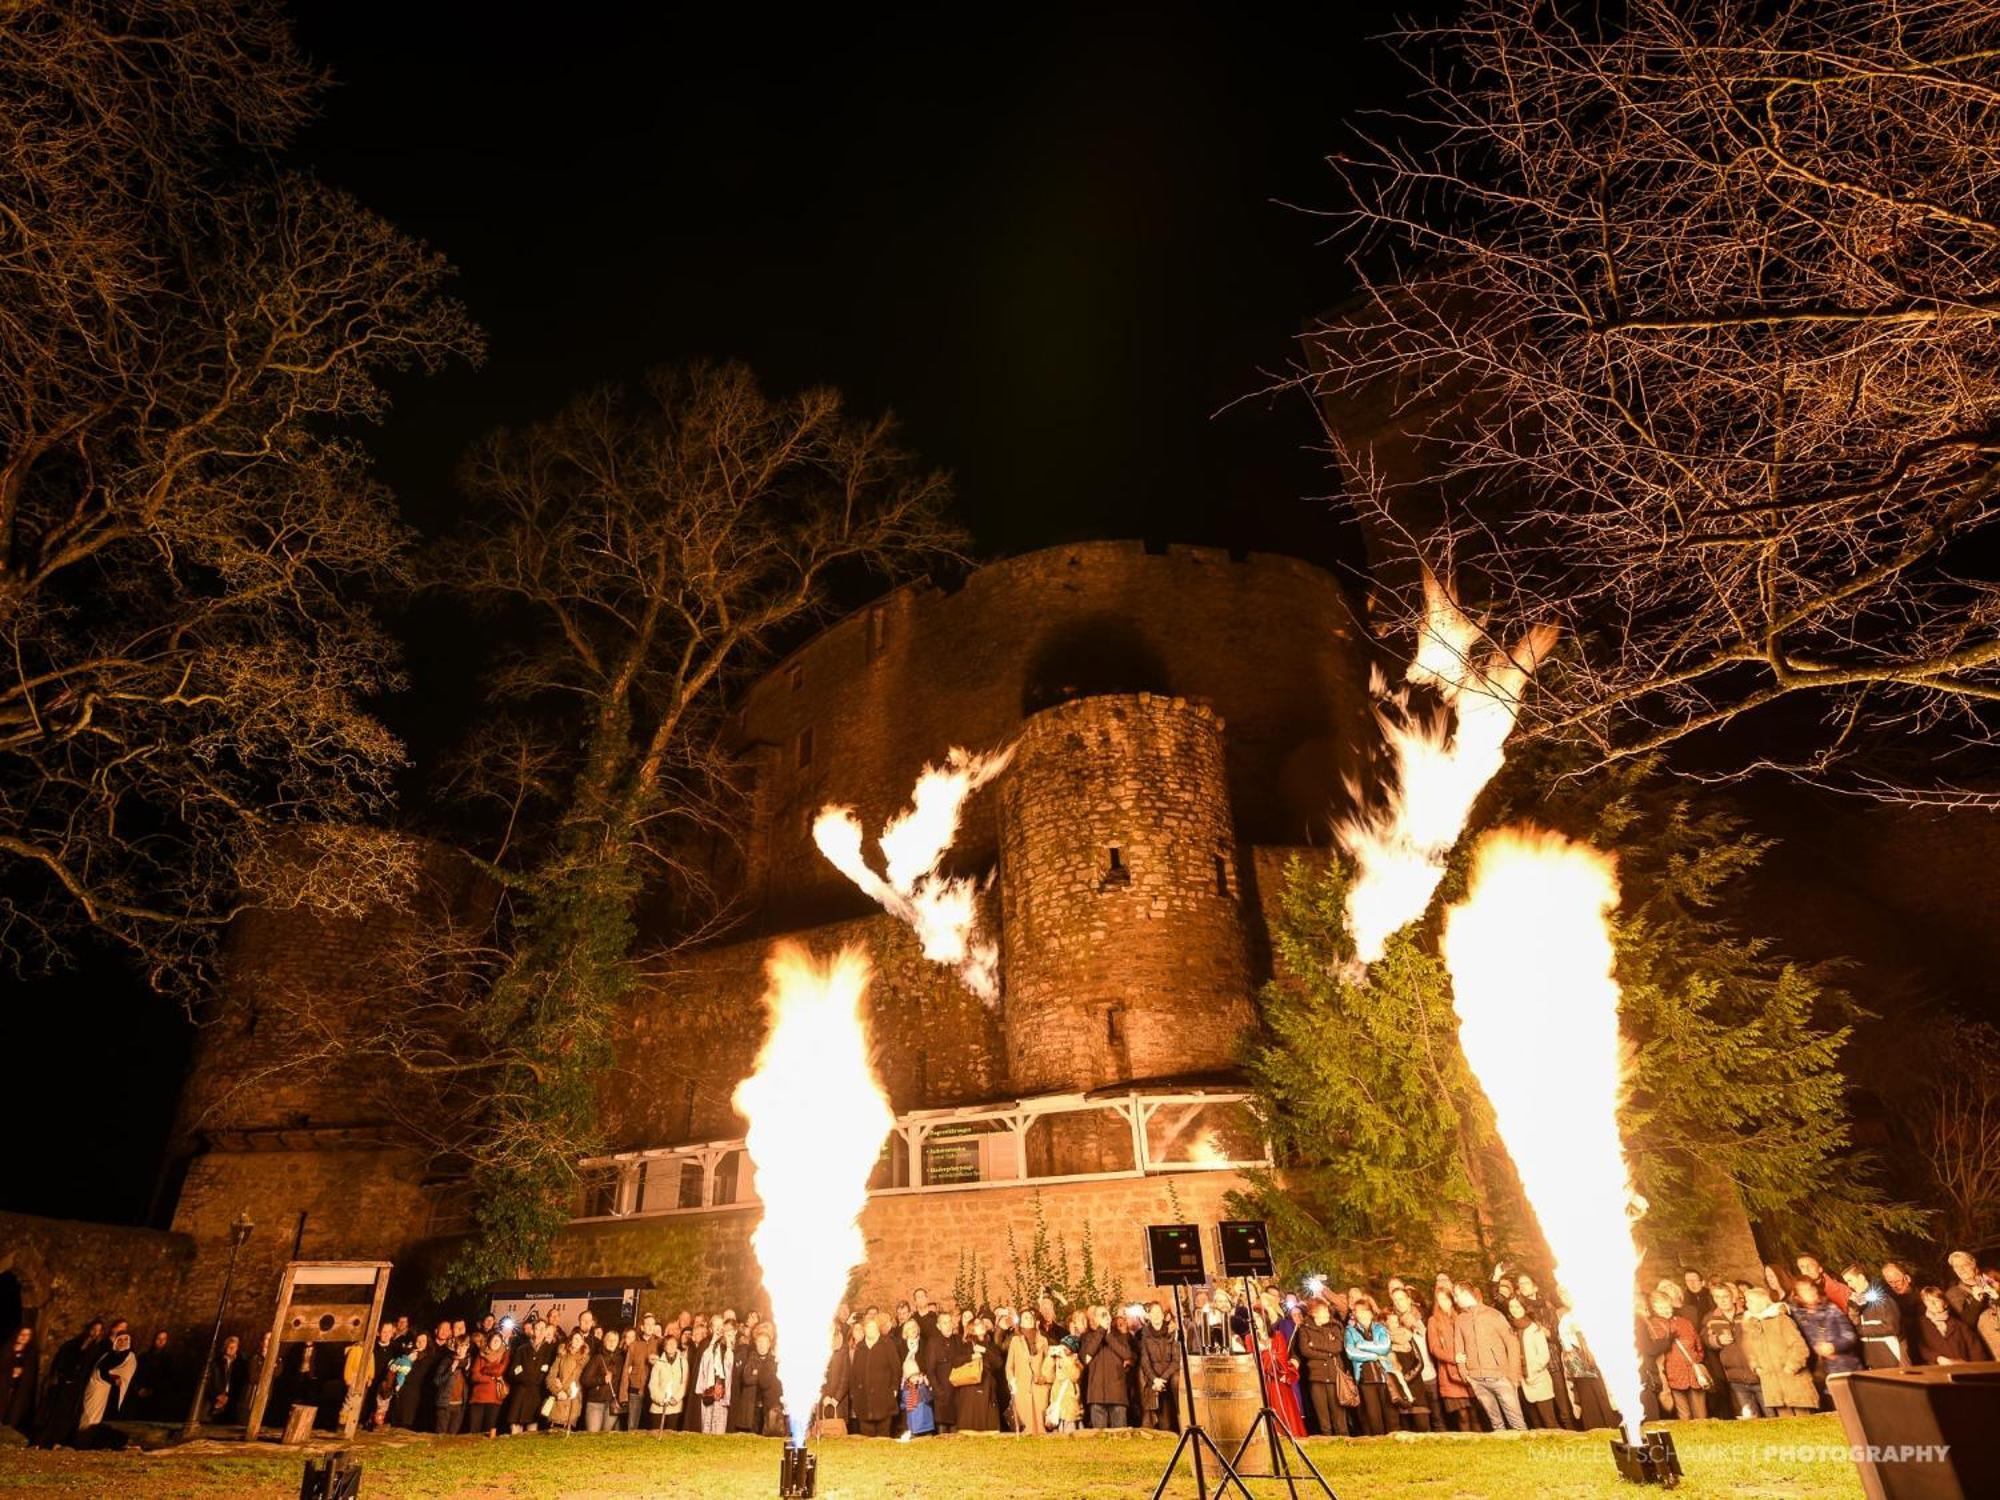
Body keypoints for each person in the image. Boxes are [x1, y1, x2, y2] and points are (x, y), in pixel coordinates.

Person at [1452, 1285, 1526, 1431]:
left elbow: (1512, 1343)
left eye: (1456, 1295)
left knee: (1517, 1423)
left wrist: (1512, 1374)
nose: (1455, 1299)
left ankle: (1525, 1450)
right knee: (1496, 1424)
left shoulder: (1494, 1315)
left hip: (1500, 1377)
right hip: (1476, 1379)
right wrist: (1464, 1373)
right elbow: (1459, 1348)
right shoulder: (1460, 1319)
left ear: (1466, 1293)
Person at [1739, 1284, 1818, 1417]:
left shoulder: (1781, 1320)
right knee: (1785, 1424)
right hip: (1772, 1384)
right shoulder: (1751, 1325)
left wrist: (1792, 1366)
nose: (1747, 1305)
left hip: (1793, 1380)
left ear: (1761, 1301)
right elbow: (1749, 1349)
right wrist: (1756, 1366)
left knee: (1805, 1419)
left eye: (1750, 1301)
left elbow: (1799, 1346)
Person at [1643, 1290, 1709, 1420]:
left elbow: (1698, 1343)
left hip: (1693, 1374)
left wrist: (1697, 1358)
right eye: (1661, 1308)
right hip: (1672, 1375)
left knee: (1701, 1414)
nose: (1666, 1310)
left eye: (1667, 1306)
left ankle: (1704, 1438)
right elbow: (1655, 1351)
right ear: (1654, 1308)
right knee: (1683, 1415)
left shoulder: (1684, 1322)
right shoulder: (1652, 1326)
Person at [38, 1318, 102, 1447]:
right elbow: (63, 1359)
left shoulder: (97, 1349)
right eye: (94, 1329)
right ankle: (44, 1439)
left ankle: (59, 1440)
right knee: (56, 1411)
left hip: (78, 1385)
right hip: (65, 1382)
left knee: (68, 1414)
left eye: (98, 1330)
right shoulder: (73, 1344)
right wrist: (62, 1374)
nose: (95, 1332)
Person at [1703, 1282, 1761, 1418]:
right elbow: (1705, 1339)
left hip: (1756, 1372)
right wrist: (1718, 1341)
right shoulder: (1711, 1319)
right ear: (1714, 1299)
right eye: (1717, 1297)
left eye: (1725, 1296)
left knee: (1771, 1413)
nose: (1722, 1300)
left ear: (1732, 1297)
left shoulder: (1747, 1313)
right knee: (1749, 1418)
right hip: (1734, 1377)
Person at [1294, 1298, 1349, 1438]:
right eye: (1323, 1311)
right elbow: (1305, 1350)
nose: (1327, 1313)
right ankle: (1327, 1438)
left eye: (1327, 1310)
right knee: (1322, 1411)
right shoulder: (1304, 1328)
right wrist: (1327, 1353)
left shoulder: (1335, 1326)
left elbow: (1337, 1347)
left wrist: (1316, 1345)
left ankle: (1343, 1437)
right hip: (1316, 1375)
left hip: (1333, 1374)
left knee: (1338, 1412)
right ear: (1314, 1313)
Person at [1790, 1278, 1859, 1388]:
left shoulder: (1831, 1309)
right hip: (1819, 1374)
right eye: (1804, 1290)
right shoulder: (1797, 1316)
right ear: (1797, 1296)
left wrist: (1834, 1346)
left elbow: (1850, 1336)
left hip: (1843, 1368)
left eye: (1811, 1288)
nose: (1810, 1292)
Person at [1426, 1277, 1474, 1431]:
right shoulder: (1433, 1321)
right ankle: (1466, 1449)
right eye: (1440, 1299)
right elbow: (1434, 1349)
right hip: (1450, 1374)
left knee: (1475, 1413)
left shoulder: (1460, 1316)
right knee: (1463, 1416)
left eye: (1446, 1298)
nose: (1443, 1302)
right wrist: (1453, 1358)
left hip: (1468, 1370)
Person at [1344, 1294, 1393, 1437]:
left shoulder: (1380, 1328)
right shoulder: (1350, 1331)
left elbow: (1385, 1347)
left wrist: (1362, 1345)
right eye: (1359, 1311)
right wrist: (1374, 1356)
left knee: (1389, 1414)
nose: (1362, 1314)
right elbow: (1351, 1352)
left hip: (1384, 1375)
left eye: (1365, 1311)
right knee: (1373, 1415)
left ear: (1371, 1313)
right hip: (1365, 1378)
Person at [1507, 1298, 1559, 1428]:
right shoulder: (1510, 1329)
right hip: (1522, 1382)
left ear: (1525, 1308)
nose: (1514, 1310)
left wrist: (1533, 1371)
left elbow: (1544, 1355)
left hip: (1538, 1379)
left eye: (1518, 1306)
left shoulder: (1534, 1328)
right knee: (1535, 1423)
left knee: (1549, 1421)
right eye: (1511, 1307)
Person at [79, 1319, 137, 1435]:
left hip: (116, 1393)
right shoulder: (108, 1353)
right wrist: (112, 1378)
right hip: (98, 1388)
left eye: (126, 1339)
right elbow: (100, 1369)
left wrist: (115, 1378)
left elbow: (127, 1374)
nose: (122, 1342)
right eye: (120, 1339)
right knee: (90, 1415)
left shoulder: (130, 1356)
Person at [1841, 1265, 1905, 1369]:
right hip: (1871, 1358)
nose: (1849, 1285)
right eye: (1847, 1282)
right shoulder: (1855, 1301)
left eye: (1850, 1280)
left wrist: (1860, 1330)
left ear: (1861, 1278)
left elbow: (1892, 1327)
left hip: (1889, 1356)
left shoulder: (1882, 1298)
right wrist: (1853, 1312)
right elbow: (1854, 1324)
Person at [1081, 1305, 1133, 1430]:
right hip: (1097, 1395)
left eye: (1106, 1314)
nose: (1105, 1317)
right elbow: (1087, 1356)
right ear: (1095, 1320)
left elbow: (1127, 1354)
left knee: (1120, 1437)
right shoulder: (1088, 1337)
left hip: (1117, 1395)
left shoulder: (1120, 1336)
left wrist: (1108, 1336)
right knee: (1099, 1437)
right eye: (1101, 1315)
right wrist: (1101, 1332)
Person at [1912, 1286, 1985, 1365]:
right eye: (1928, 1301)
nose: (1932, 1303)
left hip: (1962, 1370)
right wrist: (1937, 1358)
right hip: (1936, 1371)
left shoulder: (1959, 1325)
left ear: (1945, 1303)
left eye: (1936, 1300)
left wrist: (1975, 1369)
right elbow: (1920, 1348)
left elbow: (1975, 1349)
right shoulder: (1919, 1324)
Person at [731, 1325, 782, 1436]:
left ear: (769, 1344)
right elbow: (747, 1378)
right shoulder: (751, 1358)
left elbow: (772, 1382)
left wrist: (757, 1373)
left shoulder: (774, 1361)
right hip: (752, 1407)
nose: (762, 1345)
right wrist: (762, 1376)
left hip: (767, 1407)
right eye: (759, 1342)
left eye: (764, 1342)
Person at [1005, 1308, 1050, 1435]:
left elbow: (1048, 1363)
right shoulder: (1015, 1341)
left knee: (1039, 1420)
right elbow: (1009, 1366)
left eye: (1030, 1317)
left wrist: (1045, 1378)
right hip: (1022, 1386)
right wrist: (1012, 1381)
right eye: (1025, 1318)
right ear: (1021, 1322)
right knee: (1025, 1420)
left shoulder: (1043, 1340)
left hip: (1039, 1386)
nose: (1029, 1319)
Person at [1137, 1303, 1179, 1433]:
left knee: (1166, 1423)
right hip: (1152, 1382)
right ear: (1148, 1316)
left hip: (1167, 1380)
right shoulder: (1144, 1335)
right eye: (1152, 1312)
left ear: (1163, 1316)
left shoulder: (1172, 1334)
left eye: (1158, 1312)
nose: (1155, 1315)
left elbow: (1176, 1361)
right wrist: (1155, 1380)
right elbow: (1145, 1361)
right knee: (1150, 1421)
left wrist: (1163, 1379)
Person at [897, 1316, 938, 1437]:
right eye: (909, 1328)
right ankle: (911, 1432)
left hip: (921, 1382)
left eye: (914, 1327)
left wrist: (922, 1376)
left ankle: (925, 1433)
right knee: (910, 1410)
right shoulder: (900, 1346)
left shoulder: (925, 1344)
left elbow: (929, 1362)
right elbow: (898, 1364)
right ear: (905, 1332)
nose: (913, 1329)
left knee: (923, 1408)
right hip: (907, 1384)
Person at [623, 1314, 660, 1430]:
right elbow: (626, 1369)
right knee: (633, 1425)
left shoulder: (660, 1343)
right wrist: (623, 1395)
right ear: (642, 1327)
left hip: (653, 1390)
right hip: (636, 1389)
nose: (650, 1327)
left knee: (649, 1425)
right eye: (647, 1324)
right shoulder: (634, 1345)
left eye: (652, 1324)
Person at [467, 1332, 509, 1436]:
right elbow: (474, 1375)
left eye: (498, 1340)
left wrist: (484, 1369)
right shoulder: (481, 1355)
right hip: (478, 1397)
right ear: (488, 1341)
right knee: (474, 1429)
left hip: (494, 1397)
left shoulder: (505, 1355)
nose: (495, 1342)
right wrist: (490, 1379)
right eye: (493, 1340)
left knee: (489, 1429)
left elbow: (500, 1370)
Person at [696, 1320, 734, 1434]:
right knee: (707, 1421)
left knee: (719, 1421)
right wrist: (713, 1341)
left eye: (720, 1326)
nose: (719, 1329)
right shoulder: (706, 1343)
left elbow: (729, 1364)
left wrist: (728, 1343)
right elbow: (705, 1361)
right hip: (709, 1388)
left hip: (721, 1387)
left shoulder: (724, 1345)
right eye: (716, 1326)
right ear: (711, 1328)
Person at [581, 1327, 621, 1433]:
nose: (612, 1342)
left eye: (615, 1340)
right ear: (604, 1341)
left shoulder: (621, 1359)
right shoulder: (597, 1358)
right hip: (596, 1402)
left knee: (605, 1436)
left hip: (612, 1404)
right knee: (592, 1435)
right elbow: (585, 1380)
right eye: (609, 1340)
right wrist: (602, 1379)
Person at [1943, 1251, 1999, 1326]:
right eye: (1956, 1267)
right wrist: (1976, 1301)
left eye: (1964, 1265)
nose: (1960, 1269)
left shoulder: (1992, 1275)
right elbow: (1965, 1324)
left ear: (1973, 1264)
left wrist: (1997, 1294)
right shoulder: (1954, 1293)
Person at [129, 1329, 175, 1421]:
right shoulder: (143, 1357)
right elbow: (135, 1374)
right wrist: (139, 1389)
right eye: (159, 1338)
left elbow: (168, 1378)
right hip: (140, 1395)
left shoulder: (169, 1359)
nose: (161, 1341)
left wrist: (154, 1390)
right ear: (154, 1339)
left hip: (157, 1397)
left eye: (164, 1339)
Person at [546, 1331, 586, 1432]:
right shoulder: (562, 1355)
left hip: (573, 1399)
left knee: (568, 1431)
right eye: (575, 1338)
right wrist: (557, 1391)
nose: (577, 1341)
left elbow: (581, 1379)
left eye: (580, 1339)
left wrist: (568, 1393)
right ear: (571, 1340)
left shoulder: (585, 1358)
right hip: (559, 1398)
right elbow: (551, 1376)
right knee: (554, 1430)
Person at [648, 1330, 689, 1432]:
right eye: (668, 1344)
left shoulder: (683, 1362)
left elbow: (684, 1383)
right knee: (656, 1433)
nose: (671, 1346)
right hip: (659, 1407)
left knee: (671, 1436)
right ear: (664, 1347)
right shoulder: (658, 1363)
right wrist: (661, 1399)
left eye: (674, 1344)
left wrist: (676, 1398)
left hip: (675, 1407)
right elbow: (653, 1384)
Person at [1044, 1332, 1083, 1434]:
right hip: (1057, 1399)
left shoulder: (1075, 1361)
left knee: (1069, 1429)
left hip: (1070, 1401)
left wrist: (1065, 1358)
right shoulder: (1057, 1359)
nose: (1063, 1349)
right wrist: (1049, 1357)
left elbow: (1074, 1376)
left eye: (1066, 1347)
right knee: (1057, 1429)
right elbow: (1047, 1374)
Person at [3, 1324, 37, 1435]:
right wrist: (10, 1373)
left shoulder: (30, 1353)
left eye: (27, 1335)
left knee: (14, 1411)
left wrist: (22, 1373)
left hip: (19, 1390)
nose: (24, 1337)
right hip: (4, 1386)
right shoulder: (6, 1349)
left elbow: (31, 1373)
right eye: (22, 1334)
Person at [433, 1337, 470, 1436]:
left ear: (467, 1347)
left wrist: (467, 1370)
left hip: (460, 1405)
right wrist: (451, 1369)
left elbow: (472, 1381)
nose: (460, 1350)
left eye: (463, 1347)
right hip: (445, 1403)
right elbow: (437, 1381)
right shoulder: (447, 1360)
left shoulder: (468, 1362)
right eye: (458, 1347)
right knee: (441, 1435)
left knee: (452, 1437)